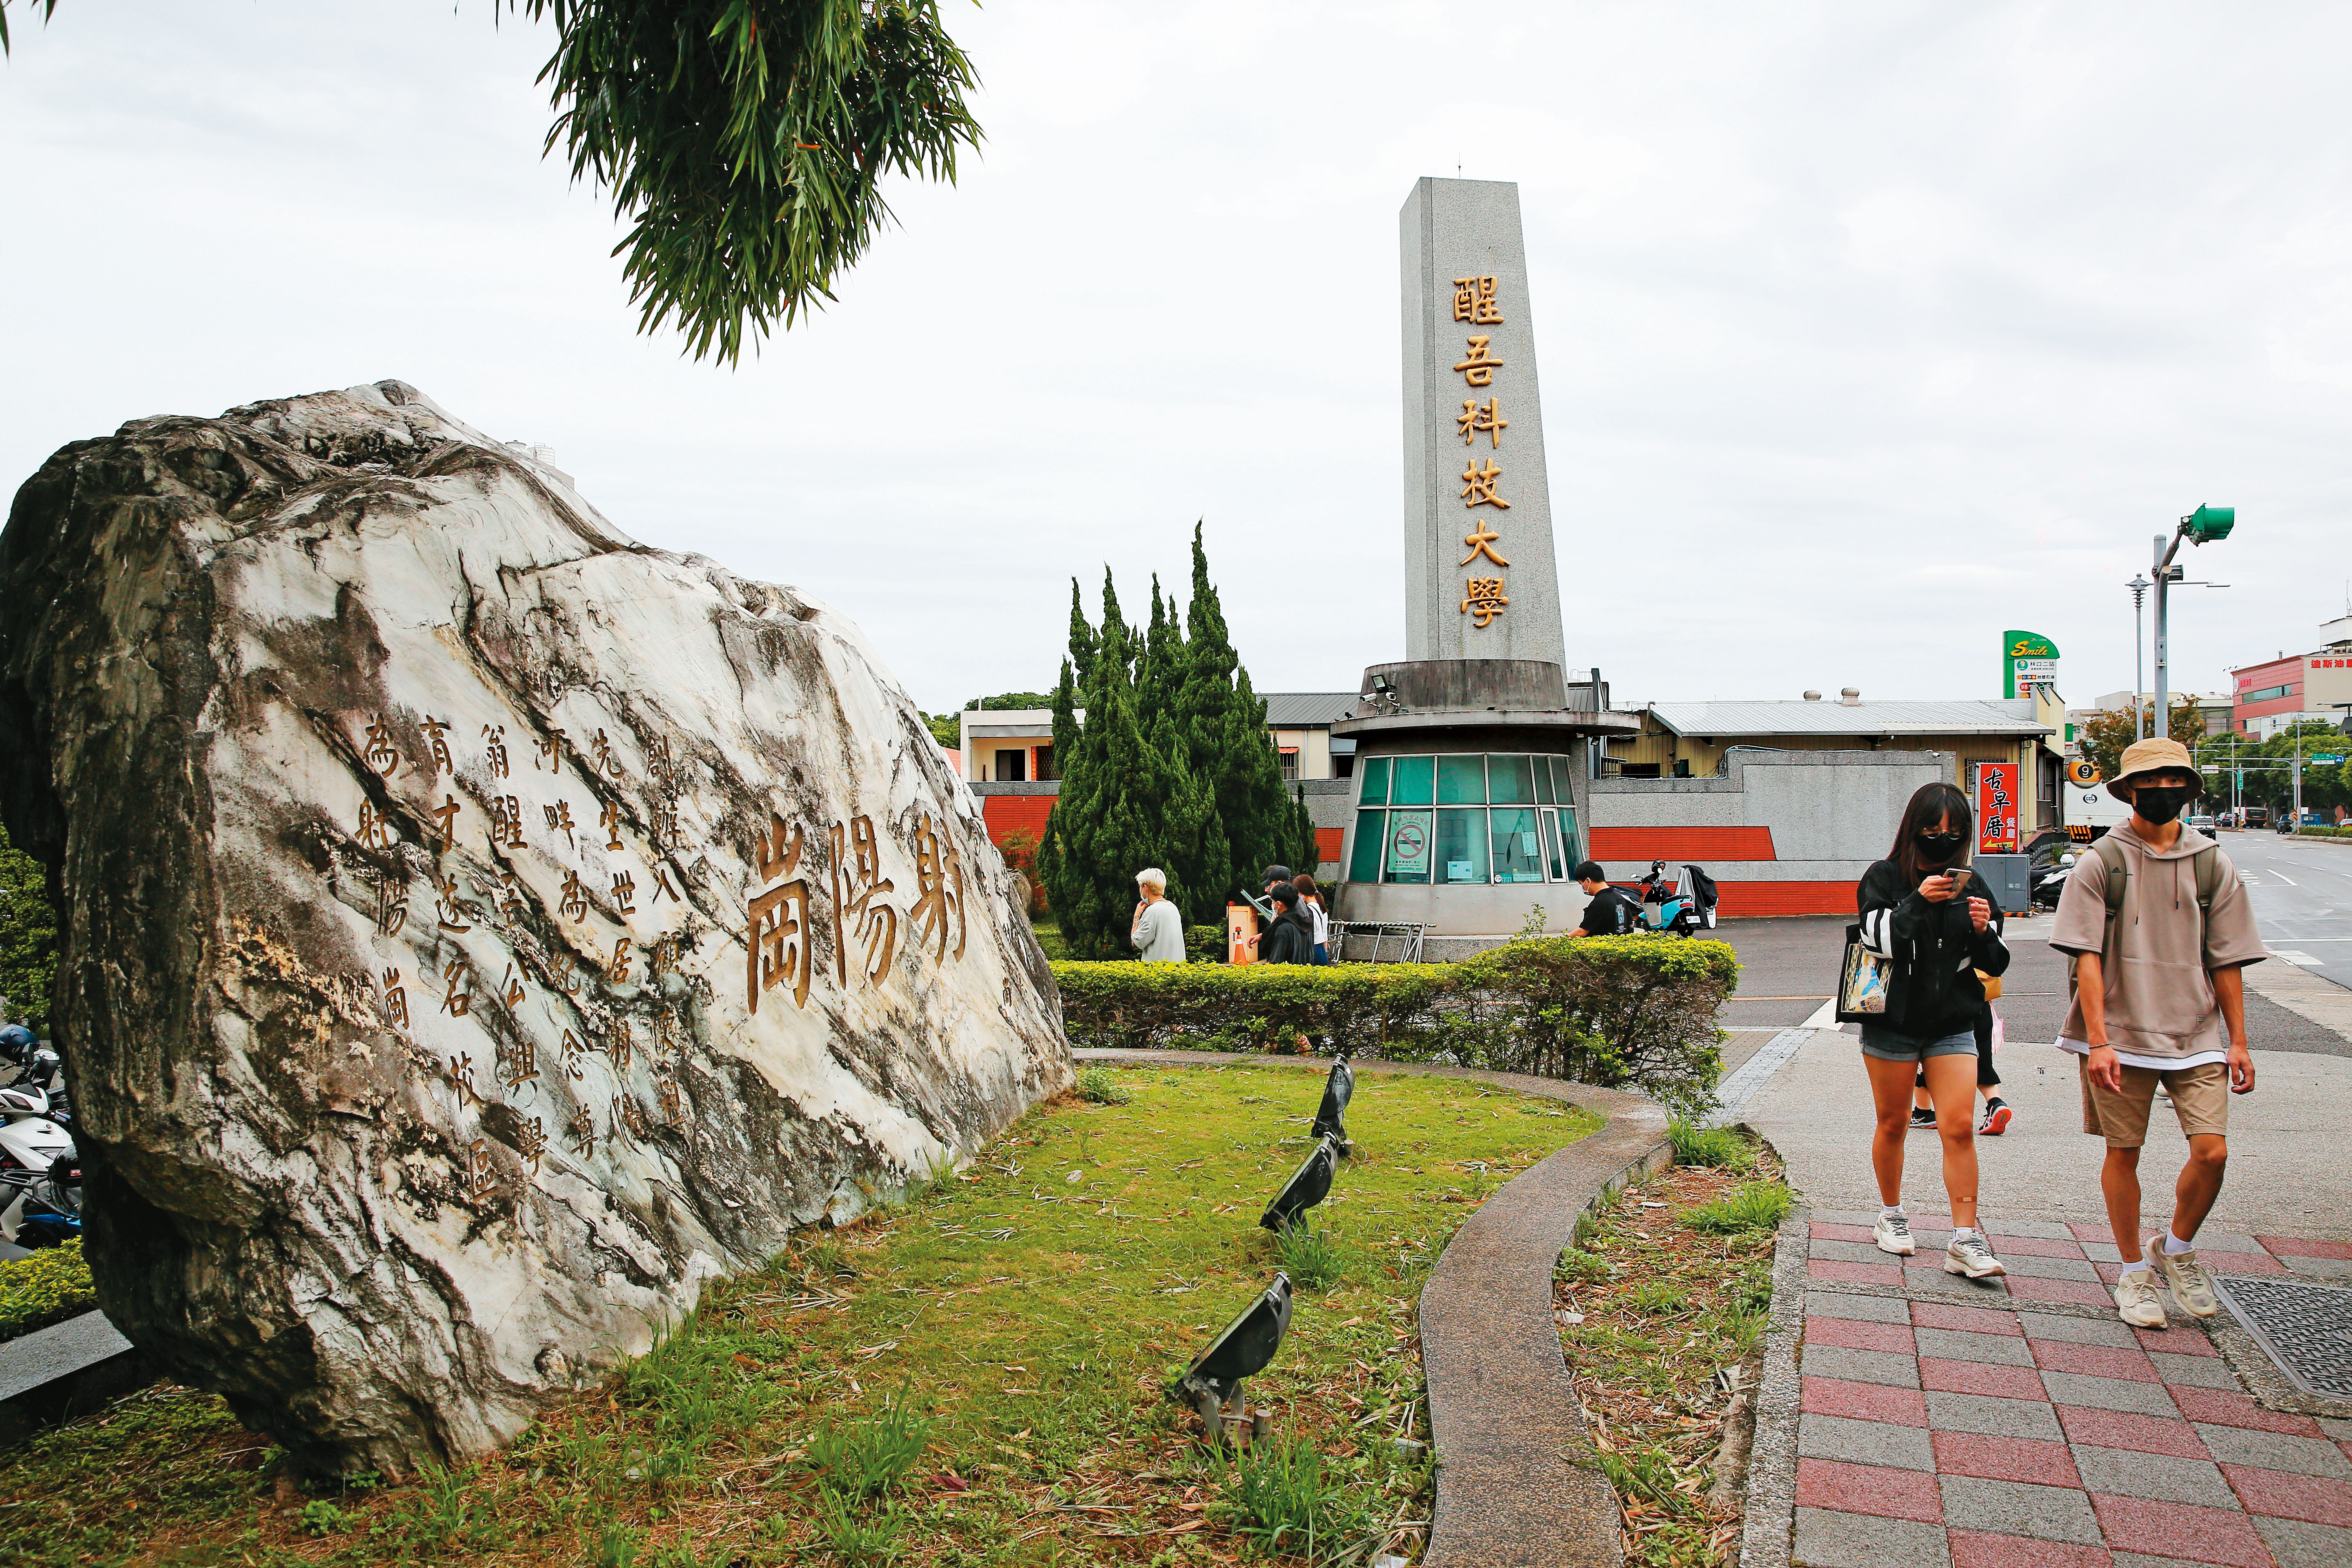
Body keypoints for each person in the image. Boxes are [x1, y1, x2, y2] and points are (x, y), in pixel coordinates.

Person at [2049, 737, 2265, 1328]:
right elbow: (2086, 958)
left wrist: (2238, 1041)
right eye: (2150, 782)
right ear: (2129, 791)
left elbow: (2227, 958)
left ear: (2189, 789)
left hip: (2196, 1032)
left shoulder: (2211, 861)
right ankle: (2132, 1273)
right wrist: (2098, 1041)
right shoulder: (2102, 861)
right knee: (2125, 1152)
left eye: (2175, 781)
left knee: (2212, 1151)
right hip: (2120, 1033)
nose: (2163, 791)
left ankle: (2174, 1248)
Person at [1855, 782, 2011, 1279]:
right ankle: (1891, 1215)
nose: (1943, 837)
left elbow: (1997, 961)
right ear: (1913, 828)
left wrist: (1984, 931)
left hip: (1953, 1023)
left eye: (1955, 830)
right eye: (1932, 828)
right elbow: (1876, 941)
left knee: (1959, 1126)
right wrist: (1918, 901)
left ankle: (1965, 1239)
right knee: (1894, 1122)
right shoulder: (1884, 878)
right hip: (1893, 1022)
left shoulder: (1973, 884)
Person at [1909, 1005, 2013, 1135]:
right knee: (1981, 1063)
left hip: (1943, 1009)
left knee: (1926, 1059)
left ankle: (1923, 1112)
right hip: (1979, 1006)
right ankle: (1996, 1103)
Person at [1567, 862, 1641, 938]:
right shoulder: (1619, 897)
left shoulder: (1600, 902)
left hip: (1602, 943)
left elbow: (1582, 932)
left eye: (1581, 884)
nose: (1582, 887)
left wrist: (1564, 940)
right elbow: (1630, 925)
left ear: (1588, 881)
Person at [1129, 868, 1187, 963]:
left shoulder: (1152, 911)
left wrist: (1137, 916)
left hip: (1158, 970)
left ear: (1145, 888)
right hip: (1176, 968)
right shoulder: (1173, 908)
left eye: (1140, 887)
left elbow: (1136, 943)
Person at [1249, 883, 1316, 964]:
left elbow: (1275, 963)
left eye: (1273, 901)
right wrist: (1262, 936)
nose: (1273, 904)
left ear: (1279, 904)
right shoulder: (1304, 921)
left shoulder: (1283, 929)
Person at [1292, 873, 1333, 964]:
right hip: (1321, 951)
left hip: (1310, 950)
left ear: (1301, 891)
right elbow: (1325, 937)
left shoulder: (1307, 911)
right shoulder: (1322, 909)